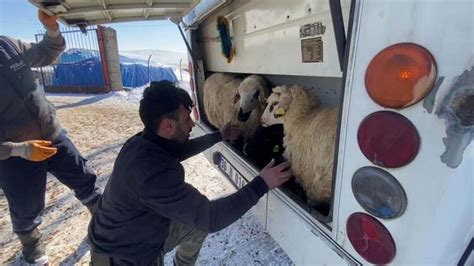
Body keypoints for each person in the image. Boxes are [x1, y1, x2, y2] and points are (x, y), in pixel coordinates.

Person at [88, 80, 292, 265]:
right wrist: (261, 184)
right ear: (168, 126)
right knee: (201, 221)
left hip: (133, 234)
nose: (192, 124)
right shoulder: (152, 175)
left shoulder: (142, 143)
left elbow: (177, 150)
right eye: (187, 119)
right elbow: (211, 218)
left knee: (195, 226)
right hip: (126, 258)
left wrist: (218, 136)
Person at [0, 10, 101, 265]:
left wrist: (52, 29)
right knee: (25, 207)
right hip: (13, 155)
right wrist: (19, 150)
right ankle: (32, 248)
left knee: (84, 176)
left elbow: (47, 51)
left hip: (52, 134)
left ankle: (102, 218)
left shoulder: (7, 45)